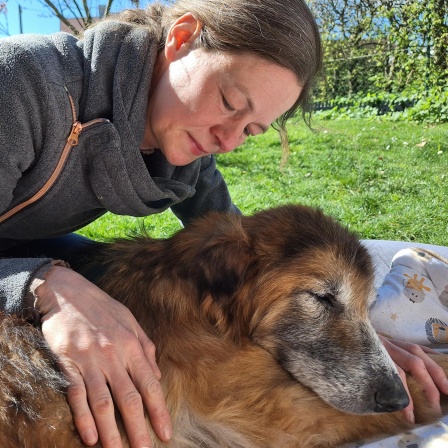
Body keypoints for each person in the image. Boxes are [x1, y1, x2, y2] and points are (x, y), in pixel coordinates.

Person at [0, 0, 446, 447]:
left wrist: (363, 340)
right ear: (181, 38)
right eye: (230, 102)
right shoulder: (23, 83)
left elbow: (256, 258)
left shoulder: (189, 155)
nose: (229, 141)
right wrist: (47, 286)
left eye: (251, 130)